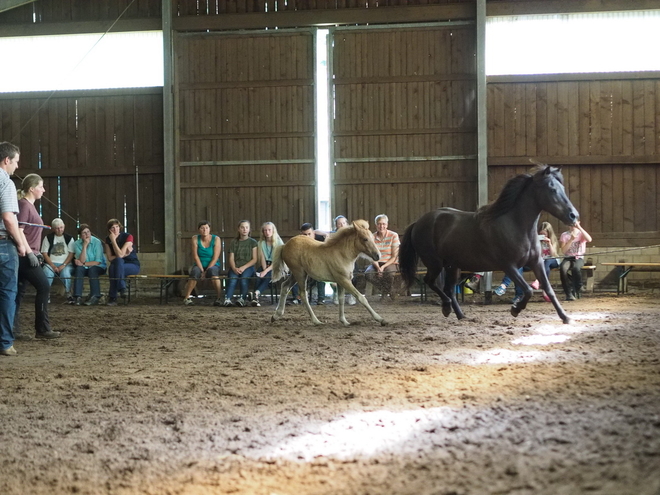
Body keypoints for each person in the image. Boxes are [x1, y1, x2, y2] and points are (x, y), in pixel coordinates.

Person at [15, 173, 60, 340]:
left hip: (29, 254)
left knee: (18, 293)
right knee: (43, 287)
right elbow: (19, 231)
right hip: (26, 256)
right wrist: (29, 253)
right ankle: (42, 328)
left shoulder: (29, 206)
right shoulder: (25, 206)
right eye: (41, 186)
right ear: (32, 189)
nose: (44, 189)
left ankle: (14, 329)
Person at [0, 142, 27, 356]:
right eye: (16, 161)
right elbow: (9, 219)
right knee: (8, 293)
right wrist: (20, 243)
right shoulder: (6, 183)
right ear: (6, 160)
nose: (17, 166)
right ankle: (5, 342)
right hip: (2, 244)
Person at [182, 220, 222, 306]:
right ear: (199, 230)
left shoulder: (216, 239)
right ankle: (187, 298)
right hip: (199, 264)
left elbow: (215, 257)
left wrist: (206, 271)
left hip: (213, 264)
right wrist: (202, 271)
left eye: (206, 228)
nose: (204, 230)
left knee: (213, 272)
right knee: (194, 272)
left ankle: (219, 298)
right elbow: (195, 256)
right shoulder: (195, 238)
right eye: (202, 228)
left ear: (210, 229)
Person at [104, 218, 140, 306]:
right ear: (109, 230)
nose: (115, 229)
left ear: (120, 227)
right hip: (118, 265)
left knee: (114, 267)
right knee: (115, 265)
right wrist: (123, 254)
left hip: (132, 264)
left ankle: (113, 297)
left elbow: (119, 255)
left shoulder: (128, 236)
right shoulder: (107, 240)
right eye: (113, 228)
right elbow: (109, 258)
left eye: (117, 227)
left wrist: (113, 242)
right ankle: (122, 288)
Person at [366, 214, 400, 301]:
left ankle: (384, 294)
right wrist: (378, 268)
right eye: (379, 224)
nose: (381, 226)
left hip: (390, 262)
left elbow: (394, 256)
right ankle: (389, 291)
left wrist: (383, 267)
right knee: (368, 274)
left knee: (389, 273)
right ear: (376, 225)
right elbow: (372, 256)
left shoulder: (393, 235)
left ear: (387, 225)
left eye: (383, 224)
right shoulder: (372, 237)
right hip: (376, 262)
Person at [223, 220, 258, 307]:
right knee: (232, 280)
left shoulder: (253, 242)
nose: (244, 229)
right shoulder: (234, 242)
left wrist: (243, 267)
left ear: (249, 229)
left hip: (248, 267)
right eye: (242, 227)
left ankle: (242, 299)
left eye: (247, 227)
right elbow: (231, 257)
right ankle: (227, 299)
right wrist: (234, 268)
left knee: (244, 279)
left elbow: (254, 259)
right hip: (235, 267)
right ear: (238, 229)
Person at [41, 218, 75, 303]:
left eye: (61, 227)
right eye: (57, 228)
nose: (60, 229)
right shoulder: (48, 238)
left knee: (66, 273)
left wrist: (63, 265)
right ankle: (46, 294)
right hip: (51, 263)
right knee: (47, 271)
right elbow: (44, 253)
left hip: (66, 263)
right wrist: (52, 265)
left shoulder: (69, 238)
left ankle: (69, 294)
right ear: (53, 228)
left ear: (64, 227)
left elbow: (71, 253)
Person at [72, 223, 107, 306]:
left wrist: (83, 263)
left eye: (88, 232)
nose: (87, 234)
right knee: (78, 269)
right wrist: (84, 246)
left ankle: (95, 296)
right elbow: (81, 260)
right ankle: (78, 297)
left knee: (92, 269)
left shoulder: (96, 242)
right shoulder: (77, 244)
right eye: (84, 233)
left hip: (99, 267)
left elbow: (98, 261)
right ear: (80, 235)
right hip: (84, 267)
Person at [252, 222, 284, 307]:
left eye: (269, 230)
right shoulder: (261, 243)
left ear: (273, 231)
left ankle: (256, 293)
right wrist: (263, 268)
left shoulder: (279, 243)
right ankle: (256, 298)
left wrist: (265, 271)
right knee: (258, 276)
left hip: (276, 265)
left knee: (267, 276)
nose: (267, 232)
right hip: (265, 264)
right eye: (265, 230)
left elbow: (278, 260)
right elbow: (262, 257)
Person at [559, 221, 592, 301]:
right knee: (562, 269)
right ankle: (568, 293)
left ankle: (578, 286)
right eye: (571, 224)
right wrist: (571, 240)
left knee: (575, 268)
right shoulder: (564, 235)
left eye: (574, 224)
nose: (572, 226)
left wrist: (579, 227)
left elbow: (589, 239)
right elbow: (563, 251)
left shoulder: (581, 233)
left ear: (578, 223)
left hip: (579, 257)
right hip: (568, 257)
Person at [300, 222, 328, 304]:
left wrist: (325, 235)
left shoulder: (321, 238)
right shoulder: (299, 242)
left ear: (314, 233)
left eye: (309, 234)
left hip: (320, 264)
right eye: (305, 235)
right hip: (306, 264)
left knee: (320, 274)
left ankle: (321, 299)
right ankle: (297, 297)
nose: (307, 237)